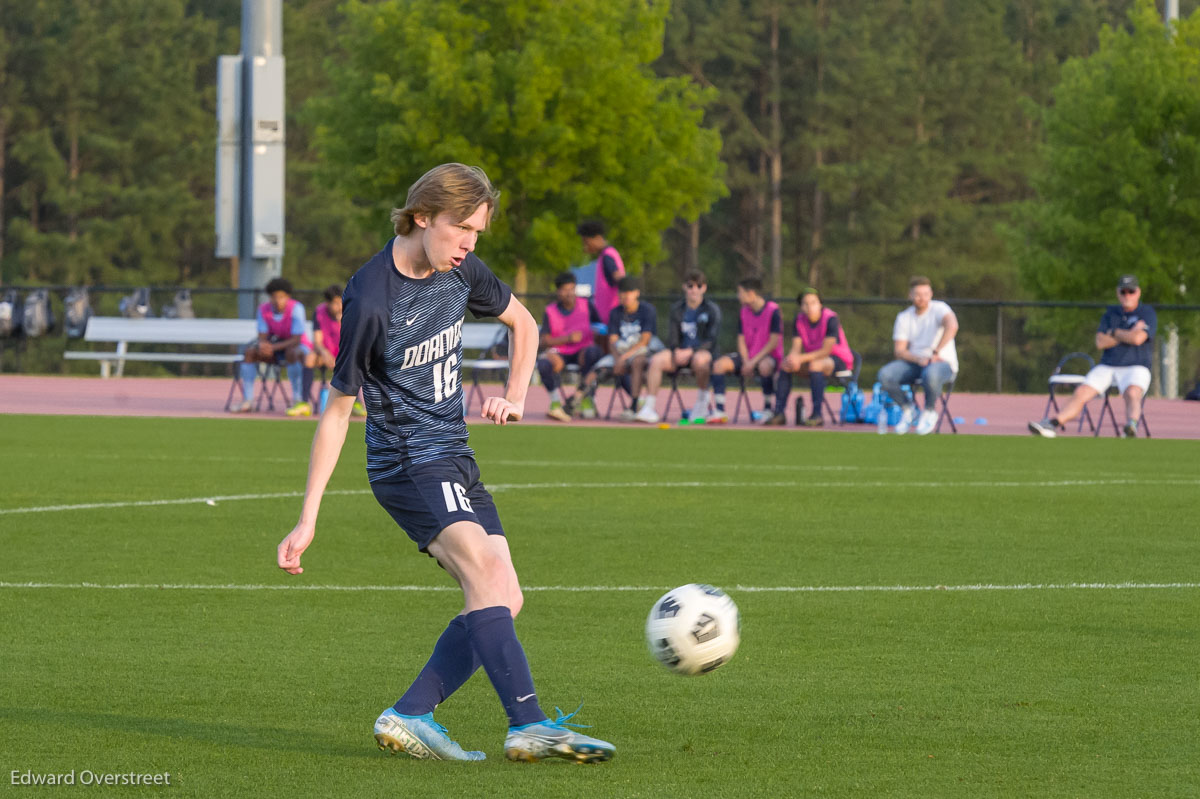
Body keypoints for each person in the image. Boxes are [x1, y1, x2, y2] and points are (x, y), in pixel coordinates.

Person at [276, 163, 614, 764]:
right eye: (462, 228)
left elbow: (525, 323)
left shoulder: (459, 271)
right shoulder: (371, 297)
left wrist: (515, 393)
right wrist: (308, 518)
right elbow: (335, 412)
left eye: (478, 234)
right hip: (405, 461)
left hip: (454, 454)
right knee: (486, 572)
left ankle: (410, 713)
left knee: (504, 596)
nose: (469, 244)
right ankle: (528, 723)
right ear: (422, 215)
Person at [1029, 275, 1156, 438]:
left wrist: (1114, 332)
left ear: (1138, 292)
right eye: (1123, 291)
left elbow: (1138, 339)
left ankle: (1131, 426)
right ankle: (1052, 425)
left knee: (1132, 393)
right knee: (1082, 392)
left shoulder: (1147, 312)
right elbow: (1100, 342)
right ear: (1118, 293)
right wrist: (1130, 332)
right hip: (1108, 364)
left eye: (1131, 291)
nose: (1127, 295)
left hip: (1136, 366)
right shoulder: (1111, 313)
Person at [635, 270, 721, 424]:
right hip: (680, 353)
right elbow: (672, 336)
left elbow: (711, 340)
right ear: (684, 287)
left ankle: (702, 403)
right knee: (656, 360)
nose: (694, 289)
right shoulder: (677, 309)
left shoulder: (711, 309)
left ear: (704, 288)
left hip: (702, 353)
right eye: (690, 285)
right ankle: (649, 406)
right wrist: (676, 350)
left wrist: (692, 351)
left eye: (698, 286)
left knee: (701, 360)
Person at [876, 276, 959, 435]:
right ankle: (909, 409)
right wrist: (919, 359)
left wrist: (935, 353)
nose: (922, 298)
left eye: (925, 294)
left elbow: (952, 325)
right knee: (885, 375)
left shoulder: (940, 308)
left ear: (931, 294)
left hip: (942, 364)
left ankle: (929, 412)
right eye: (918, 294)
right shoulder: (904, 317)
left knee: (931, 374)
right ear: (910, 295)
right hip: (916, 363)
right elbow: (899, 351)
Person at [768, 288, 855, 427]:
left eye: (813, 302)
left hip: (838, 360)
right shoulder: (799, 320)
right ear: (801, 306)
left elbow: (826, 351)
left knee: (816, 365)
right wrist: (792, 358)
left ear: (820, 303)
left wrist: (800, 359)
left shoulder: (831, 318)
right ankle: (779, 413)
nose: (810, 307)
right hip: (812, 359)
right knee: (786, 365)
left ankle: (817, 414)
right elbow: (796, 347)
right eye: (805, 303)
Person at [580, 276, 660, 421]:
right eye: (622, 292)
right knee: (597, 369)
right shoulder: (615, 313)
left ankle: (634, 406)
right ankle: (578, 400)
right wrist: (618, 359)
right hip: (620, 353)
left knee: (637, 362)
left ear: (637, 293)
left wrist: (623, 358)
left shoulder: (647, 310)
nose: (625, 295)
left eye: (629, 291)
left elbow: (644, 341)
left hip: (640, 352)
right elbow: (613, 341)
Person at [234, 277, 314, 416]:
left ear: (288, 296)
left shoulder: (296, 308)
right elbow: (262, 336)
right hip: (274, 349)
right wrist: (262, 346)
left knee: (292, 352)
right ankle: (248, 400)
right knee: (249, 353)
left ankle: (297, 399)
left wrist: (272, 347)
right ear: (270, 297)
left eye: (281, 297)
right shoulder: (263, 310)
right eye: (274, 297)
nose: (278, 301)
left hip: (297, 348)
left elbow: (296, 339)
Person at [710, 277, 783, 424]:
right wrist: (745, 361)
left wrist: (753, 362)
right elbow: (741, 340)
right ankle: (719, 410)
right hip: (748, 357)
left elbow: (774, 342)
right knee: (719, 365)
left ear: (751, 293)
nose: (738, 296)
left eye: (740, 292)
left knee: (765, 366)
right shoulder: (744, 311)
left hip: (767, 356)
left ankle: (768, 409)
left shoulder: (773, 310)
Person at [537, 272, 603, 421]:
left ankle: (587, 398)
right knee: (543, 364)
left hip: (583, 351)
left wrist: (597, 336)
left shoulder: (586, 305)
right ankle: (555, 402)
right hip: (560, 353)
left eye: (572, 289)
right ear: (558, 292)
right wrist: (568, 338)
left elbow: (600, 328)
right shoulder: (550, 310)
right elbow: (544, 341)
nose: (569, 293)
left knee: (593, 353)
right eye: (565, 290)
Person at [577, 220, 625, 331]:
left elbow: (619, 278)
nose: (585, 247)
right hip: (607, 317)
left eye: (586, 242)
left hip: (611, 317)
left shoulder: (607, 256)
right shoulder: (605, 255)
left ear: (597, 238)